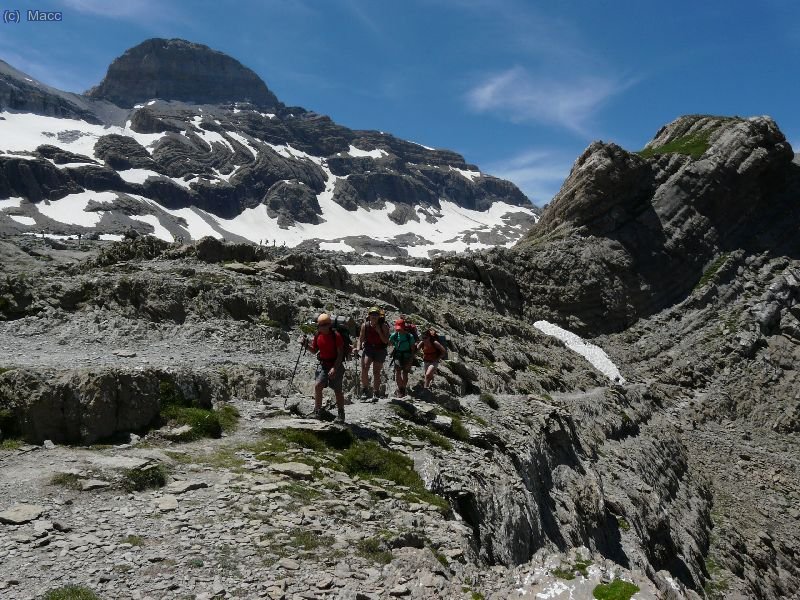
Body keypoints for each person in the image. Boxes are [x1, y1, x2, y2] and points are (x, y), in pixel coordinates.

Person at [300, 313, 346, 423]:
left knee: (338, 390)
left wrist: (334, 368)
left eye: (324, 325)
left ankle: (341, 414)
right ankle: (318, 411)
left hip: (336, 365)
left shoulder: (336, 336)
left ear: (329, 325)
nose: (322, 327)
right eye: (321, 326)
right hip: (324, 364)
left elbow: (340, 354)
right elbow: (315, 350)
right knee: (318, 385)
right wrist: (305, 345)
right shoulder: (318, 335)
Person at [358, 306, 390, 401]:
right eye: (372, 314)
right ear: (369, 315)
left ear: (379, 316)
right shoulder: (365, 326)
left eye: (376, 315)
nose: (374, 316)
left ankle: (376, 392)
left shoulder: (383, 326)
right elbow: (361, 339)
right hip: (369, 348)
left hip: (380, 349)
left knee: (376, 372)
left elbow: (385, 341)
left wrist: (379, 332)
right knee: (364, 367)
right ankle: (365, 389)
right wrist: (357, 348)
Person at [388, 318, 415, 398]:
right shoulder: (394, 335)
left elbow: (413, 349)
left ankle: (403, 388)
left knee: (405, 373)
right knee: (398, 372)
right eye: (397, 329)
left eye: (400, 329)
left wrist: (411, 359)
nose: (398, 330)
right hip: (398, 355)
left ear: (403, 327)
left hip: (407, 356)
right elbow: (389, 343)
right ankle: (400, 389)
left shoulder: (409, 336)